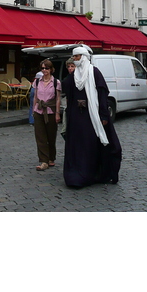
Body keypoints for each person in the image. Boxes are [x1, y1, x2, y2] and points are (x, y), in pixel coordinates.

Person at [61, 46, 122, 188]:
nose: (75, 60)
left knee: (92, 145)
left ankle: (95, 173)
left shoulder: (94, 72)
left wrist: (103, 115)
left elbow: (102, 95)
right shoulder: (74, 76)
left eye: (77, 57)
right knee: (78, 146)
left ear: (83, 57)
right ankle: (76, 174)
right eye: (74, 57)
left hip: (92, 117)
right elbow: (66, 88)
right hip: (77, 116)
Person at [32, 59, 61, 171]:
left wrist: (57, 113)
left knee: (51, 136)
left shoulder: (56, 82)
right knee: (40, 137)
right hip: (39, 111)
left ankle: (51, 157)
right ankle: (43, 161)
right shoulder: (37, 81)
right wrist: (33, 111)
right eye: (42, 68)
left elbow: (58, 99)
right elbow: (35, 97)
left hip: (51, 111)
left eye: (46, 68)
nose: (44, 70)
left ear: (51, 69)